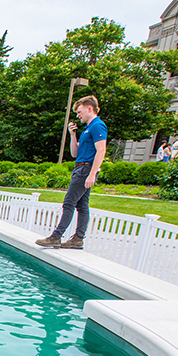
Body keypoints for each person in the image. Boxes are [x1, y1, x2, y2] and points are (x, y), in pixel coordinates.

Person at [36, 95, 107, 250]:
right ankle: (77, 239)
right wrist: (72, 134)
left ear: (90, 109)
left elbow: (101, 151)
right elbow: (74, 153)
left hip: (86, 169)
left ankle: (56, 236)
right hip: (80, 167)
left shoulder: (97, 126)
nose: (78, 115)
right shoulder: (88, 129)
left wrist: (92, 173)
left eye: (80, 112)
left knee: (69, 202)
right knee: (82, 205)